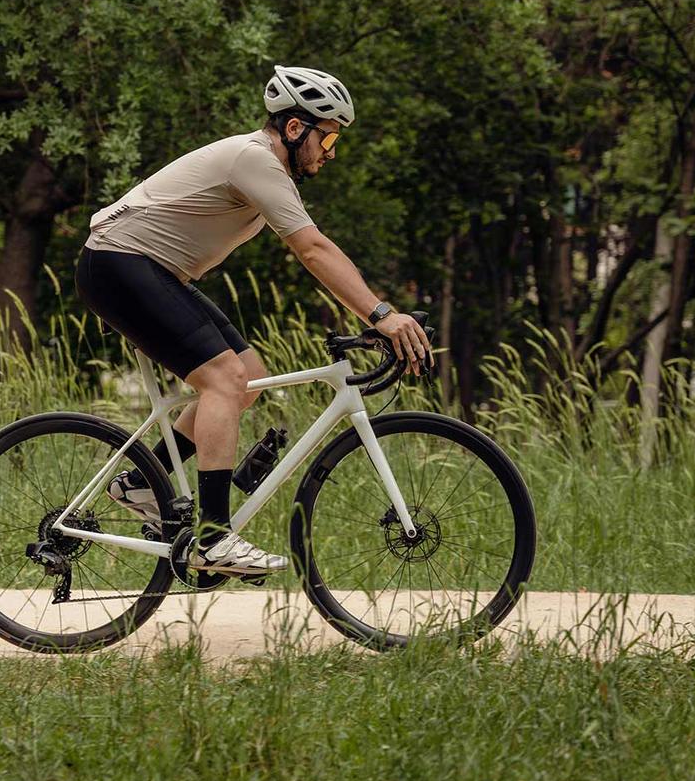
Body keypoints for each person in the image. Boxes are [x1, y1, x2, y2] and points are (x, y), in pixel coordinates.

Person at [73, 65, 433, 574]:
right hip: (118, 262)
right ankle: (213, 540)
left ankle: (139, 484)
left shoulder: (267, 169)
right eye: (327, 137)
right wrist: (381, 314)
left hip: (143, 268)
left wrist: (376, 313)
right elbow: (312, 249)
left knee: (249, 377)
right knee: (224, 378)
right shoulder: (254, 160)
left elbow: (313, 249)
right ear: (293, 129)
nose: (331, 151)